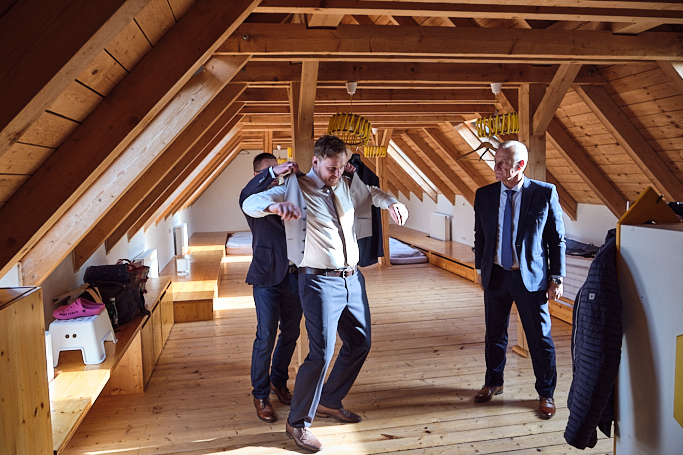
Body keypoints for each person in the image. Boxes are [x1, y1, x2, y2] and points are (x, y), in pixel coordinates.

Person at [242, 135, 408, 452]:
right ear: (316, 162)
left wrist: (392, 202)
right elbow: (250, 203)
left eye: (342, 167)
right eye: (332, 168)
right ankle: (297, 423)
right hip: (318, 282)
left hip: (352, 280)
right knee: (320, 354)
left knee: (360, 342)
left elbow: (372, 193)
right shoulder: (296, 187)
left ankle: (329, 400)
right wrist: (274, 206)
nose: (338, 173)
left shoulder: (346, 183)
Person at [473, 140, 566, 420]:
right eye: (496, 160)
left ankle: (546, 393)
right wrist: (479, 270)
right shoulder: (484, 194)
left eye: (503, 162)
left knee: (540, 338)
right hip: (496, 275)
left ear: (521, 165)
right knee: (494, 334)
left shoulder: (544, 193)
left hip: (531, 279)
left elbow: (556, 239)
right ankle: (493, 382)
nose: (496, 166)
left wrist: (557, 277)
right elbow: (480, 236)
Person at [239, 153, 303, 423]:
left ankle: (279, 382)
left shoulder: (290, 193)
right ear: (259, 176)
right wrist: (273, 172)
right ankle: (260, 394)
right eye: (270, 172)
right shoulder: (252, 199)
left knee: (290, 333)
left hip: (295, 276)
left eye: (279, 171)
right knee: (265, 336)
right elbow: (246, 196)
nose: (277, 176)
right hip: (266, 277)